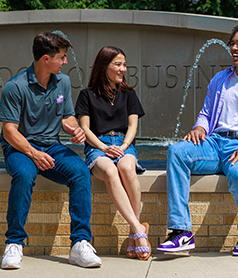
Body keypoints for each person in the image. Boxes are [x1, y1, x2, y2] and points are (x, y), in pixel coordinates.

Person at [157, 25, 238, 256]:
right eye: (231, 43)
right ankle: (181, 232)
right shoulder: (220, 78)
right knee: (177, 152)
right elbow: (206, 113)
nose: (233, 48)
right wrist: (198, 128)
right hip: (214, 143)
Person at [0, 32, 101, 269]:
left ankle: (80, 244)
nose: (65, 62)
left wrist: (74, 130)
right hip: (20, 148)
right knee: (24, 175)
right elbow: (10, 132)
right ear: (46, 59)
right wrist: (33, 154)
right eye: (62, 57)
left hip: (51, 146)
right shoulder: (15, 87)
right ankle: (14, 244)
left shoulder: (62, 82)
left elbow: (68, 117)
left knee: (81, 172)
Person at [75, 46, 149, 260]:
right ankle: (138, 229)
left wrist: (124, 146)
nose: (122, 69)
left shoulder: (129, 94)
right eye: (117, 64)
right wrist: (104, 147)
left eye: (124, 64)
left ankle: (133, 232)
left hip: (124, 144)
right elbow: (85, 129)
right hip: (98, 145)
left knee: (126, 167)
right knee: (109, 170)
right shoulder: (86, 95)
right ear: (103, 66)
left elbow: (133, 126)